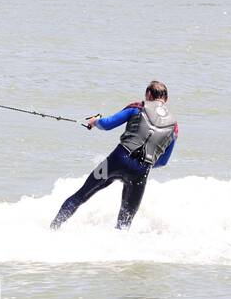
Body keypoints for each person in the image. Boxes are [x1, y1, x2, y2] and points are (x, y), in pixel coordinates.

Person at [50, 80, 179, 230]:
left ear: (148, 94)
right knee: (125, 220)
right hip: (141, 172)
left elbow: (108, 124)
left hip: (117, 160)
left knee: (81, 195)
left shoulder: (138, 107)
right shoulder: (174, 126)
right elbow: (163, 161)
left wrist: (94, 121)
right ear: (166, 99)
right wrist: (141, 164)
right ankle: (116, 249)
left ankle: (53, 229)